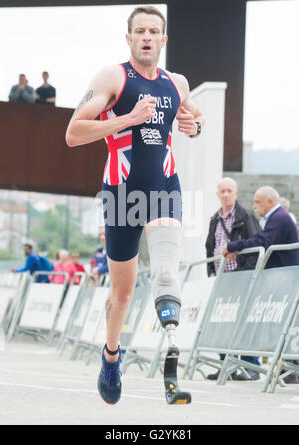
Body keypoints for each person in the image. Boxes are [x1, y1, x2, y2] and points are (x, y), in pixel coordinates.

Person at [66, 6, 205, 405]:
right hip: (121, 191)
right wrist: (126, 119)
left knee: (164, 271)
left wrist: (195, 126)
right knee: (123, 294)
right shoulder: (112, 77)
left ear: (163, 40)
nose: (146, 36)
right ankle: (111, 355)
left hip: (164, 183)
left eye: (153, 31)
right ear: (128, 39)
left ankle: (172, 360)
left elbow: (194, 119)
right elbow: (74, 133)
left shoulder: (176, 82)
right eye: (139, 31)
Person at [223, 186, 299, 384]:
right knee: (287, 323)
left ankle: (292, 368)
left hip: (286, 279)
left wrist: (234, 246)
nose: (254, 206)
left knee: (288, 324)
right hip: (282, 278)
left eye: (258, 202)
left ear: (270, 202)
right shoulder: (276, 218)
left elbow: (263, 241)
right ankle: (290, 368)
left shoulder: (279, 218)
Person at [205, 177, 261, 381]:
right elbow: (209, 246)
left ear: (236, 193)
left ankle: (251, 367)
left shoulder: (246, 215)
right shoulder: (215, 219)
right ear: (218, 194)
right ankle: (226, 366)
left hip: (242, 278)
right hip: (221, 280)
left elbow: (256, 246)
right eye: (223, 191)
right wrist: (211, 272)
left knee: (243, 323)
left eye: (229, 191)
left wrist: (246, 272)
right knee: (223, 324)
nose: (226, 194)